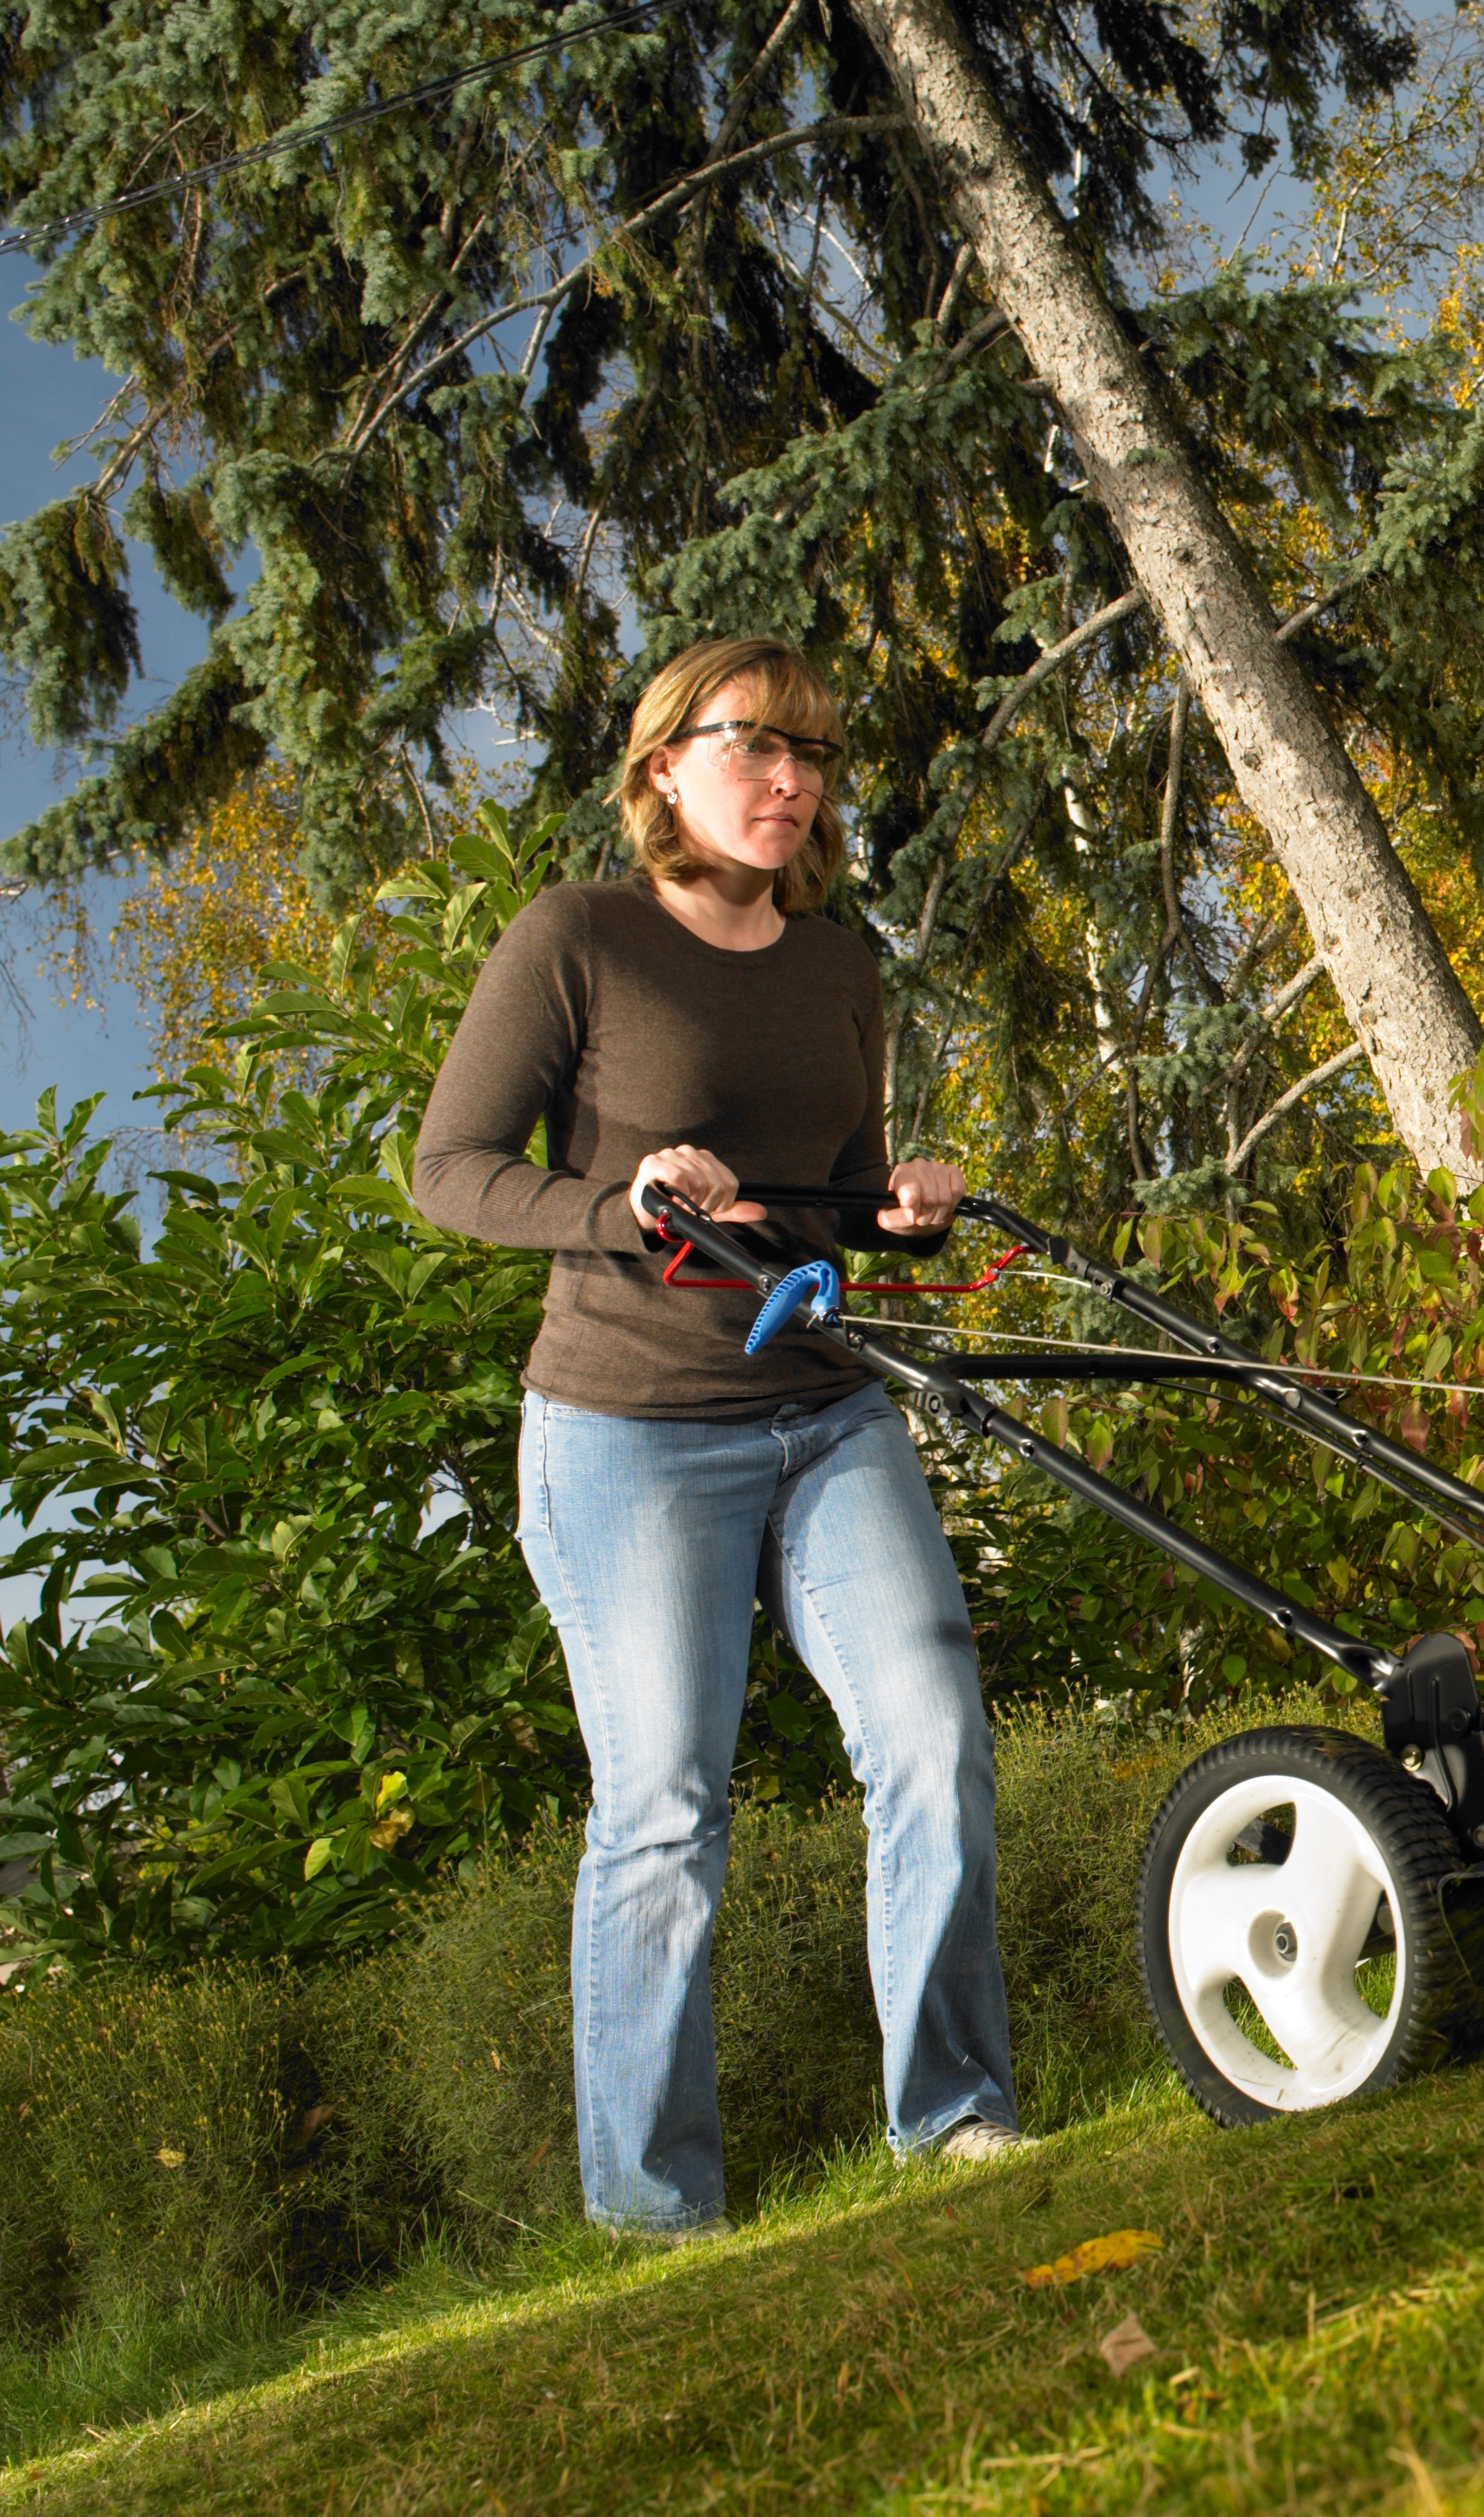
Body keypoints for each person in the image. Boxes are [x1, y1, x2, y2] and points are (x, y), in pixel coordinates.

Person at [413, 633, 1018, 2238]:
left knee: (934, 1741)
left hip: (822, 1408)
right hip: (629, 1430)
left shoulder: (840, 964)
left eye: (812, 753)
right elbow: (451, 1171)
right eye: (753, 745)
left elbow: (843, 1188)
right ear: (664, 765)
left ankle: (956, 2118)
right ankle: (656, 2216)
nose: (790, 779)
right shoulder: (580, 940)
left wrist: (909, 1213)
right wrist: (620, 1204)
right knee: (668, 1807)